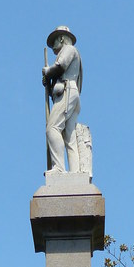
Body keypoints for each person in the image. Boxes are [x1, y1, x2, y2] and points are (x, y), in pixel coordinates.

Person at [43, 26, 82, 172]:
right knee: (69, 137)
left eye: (54, 41)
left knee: (52, 128)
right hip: (71, 92)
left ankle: (58, 168)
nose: (53, 45)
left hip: (67, 91)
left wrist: (48, 71)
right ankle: (76, 172)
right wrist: (49, 81)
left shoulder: (69, 49)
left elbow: (60, 66)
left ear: (61, 38)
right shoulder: (73, 51)